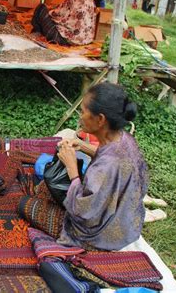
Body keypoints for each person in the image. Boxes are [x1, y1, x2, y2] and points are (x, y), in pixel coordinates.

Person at [56, 82, 147, 251]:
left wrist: (72, 169)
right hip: (128, 224)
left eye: (83, 111)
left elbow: (83, 212)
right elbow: (109, 158)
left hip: (103, 236)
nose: (80, 116)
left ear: (100, 120)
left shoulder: (106, 166)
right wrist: (82, 146)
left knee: (28, 205)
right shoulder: (125, 140)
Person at [32, 0, 96, 46]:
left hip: (64, 40)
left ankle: (37, 33)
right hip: (84, 40)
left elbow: (55, 14)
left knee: (41, 8)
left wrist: (48, 11)